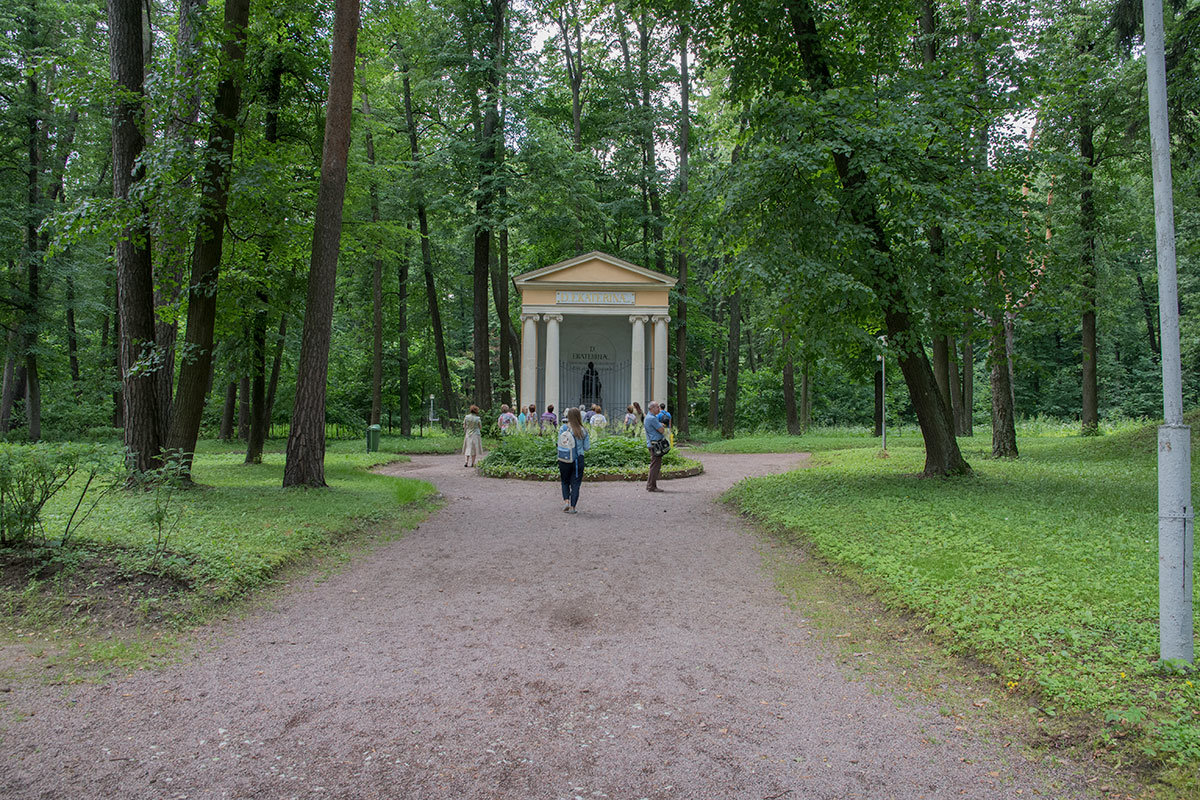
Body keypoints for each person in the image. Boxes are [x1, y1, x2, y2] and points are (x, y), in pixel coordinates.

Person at [556, 407, 591, 514]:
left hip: (564, 458)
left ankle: (566, 501)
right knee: (575, 484)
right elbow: (587, 448)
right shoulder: (583, 430)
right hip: (577, 460)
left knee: (565, 481)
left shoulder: (563, 428)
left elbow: (559, 443)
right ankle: (573, 507)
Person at [644, 401, 666, 492]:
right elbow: (661, 430)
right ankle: (651, 486)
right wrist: (662, 426)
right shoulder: (652, 418)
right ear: (652, 408)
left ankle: (651, 485)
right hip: (655, 444)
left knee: (654, 465)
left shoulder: (650, 417)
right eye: (657, 407)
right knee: (655, 466)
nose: (659, 408)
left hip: (653, 444)